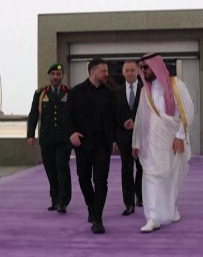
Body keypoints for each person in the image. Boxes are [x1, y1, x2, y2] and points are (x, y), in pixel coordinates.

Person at [133, 54, 195, 233]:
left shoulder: (176, 85)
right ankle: (153, 217)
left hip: (172, 140)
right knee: (151, 176)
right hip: (151, 143)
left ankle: (171, 207)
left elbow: (187, 111)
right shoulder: (145, 91)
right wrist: (136, 142)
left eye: (145, 67)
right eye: (141, 68)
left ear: (156, 66)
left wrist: (180, 136)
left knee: (174, 176)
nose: (143, 71)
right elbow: (140, 117)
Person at [69, 58, 117, 234]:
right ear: (92, 72)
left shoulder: (110, 94)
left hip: (102, 145)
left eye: (107, 71)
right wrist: (72, 133)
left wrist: (115, 138)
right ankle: (91, 206)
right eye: (103, 71)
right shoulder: (76, 92)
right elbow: (68, 116)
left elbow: (115, 119)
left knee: (101, 181)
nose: (106, 74)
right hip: (82, 144)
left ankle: (98, 219)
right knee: (83, 178)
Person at [27, 63, 73, 214]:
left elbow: (76, 114)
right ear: (49, 76)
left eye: (58, 74)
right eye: (53, 74)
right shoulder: (41, 93)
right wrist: (30, 134)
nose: (55, 77)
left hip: (64, 139)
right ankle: (55, 199)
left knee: (62, 167)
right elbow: (33, 114)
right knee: (50, 169)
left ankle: (63, 200)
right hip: (47, 138)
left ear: (62, 76)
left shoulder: (69, 92)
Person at [114, 60, 143, 216]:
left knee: (142, 168)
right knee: (126, 170)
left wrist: (136, 123)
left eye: (133, 70)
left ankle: (141, 195)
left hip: (143, 136)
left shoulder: (146, 91)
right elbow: (113, 116)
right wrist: (114, 138)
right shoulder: (116, 92)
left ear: (138, 71)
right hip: (124, 137)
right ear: (123, 72)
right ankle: (129, 203)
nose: (130, 73)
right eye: (127, 70)